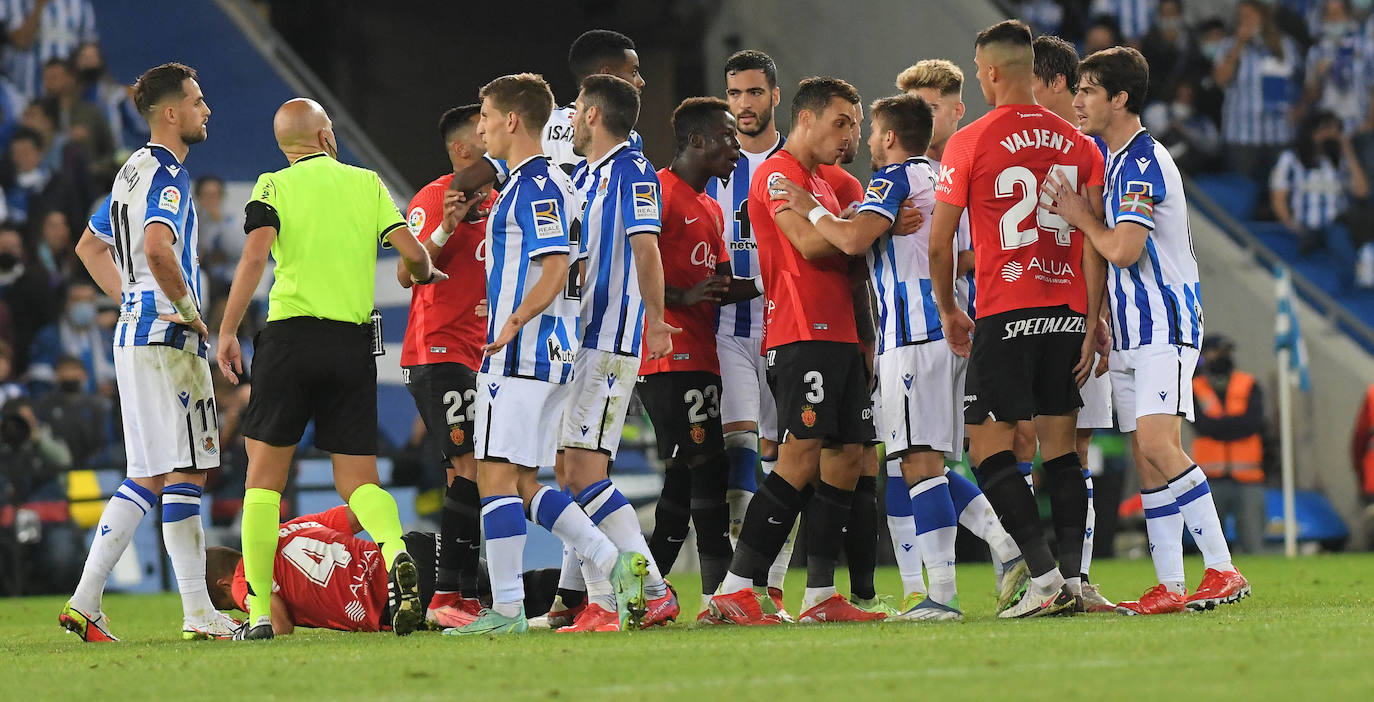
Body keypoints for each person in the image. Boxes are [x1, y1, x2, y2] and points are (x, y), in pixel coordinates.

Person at [216, 97, 439, 640]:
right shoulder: (366, 184)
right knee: (357, 481)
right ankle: (393, 553)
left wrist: (227, 329)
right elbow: (412, 254)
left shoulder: (272, 185)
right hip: (351, 343)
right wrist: (425, 270)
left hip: (290, 339)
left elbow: (253, 256)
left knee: (263, 483)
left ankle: (264, 614)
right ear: (322, 137)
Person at [1043, 45, 1252, 614]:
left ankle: (1223, 569)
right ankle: (1171, 584)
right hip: (1133, 329)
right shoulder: (1108, 159)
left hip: (1165, 322)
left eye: (1087, 90)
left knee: (1161, 445)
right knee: (1144, 455)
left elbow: (1126, 249)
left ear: (1119, 99)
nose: (1078, 100)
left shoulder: (1141, 161)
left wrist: (1080, 216)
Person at [447, 73, 645, 637]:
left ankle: (507, 609)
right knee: (524, 483)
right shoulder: (541, 182)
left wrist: (512, 320)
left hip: (522, 353)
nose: (478, 125)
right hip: (550, 353)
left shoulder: (535, 185)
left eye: (484, 114)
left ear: (511, 120)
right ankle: (616, 563)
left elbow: (557, 265)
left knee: (493, 476)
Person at [930, 20, 1106, 619]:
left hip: (1006, 310)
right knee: (1062, 450)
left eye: (979, 72)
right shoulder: (1079, 143)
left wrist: (950, 308)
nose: (979, 80)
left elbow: (940, 239)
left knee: (988, 452)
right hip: (1065, 311)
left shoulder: (971, 139)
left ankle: (1044, 576)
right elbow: (1090, 237)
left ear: (994, 73)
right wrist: (1091, 317)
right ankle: (1076, 580)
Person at [59, 62, 237, 642]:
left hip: (134, 335)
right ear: (170, 113)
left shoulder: (129, 171)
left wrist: (130, 299)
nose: (205, 110)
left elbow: (90, 245)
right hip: (167, 340)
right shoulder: (167, 174)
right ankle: (199, 613)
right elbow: (160, 249)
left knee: (145, 475)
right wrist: (189, 313)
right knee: (187, 470)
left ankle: (85, 602)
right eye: (197, 100)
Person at [707, 77, 882, 626]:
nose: (850, 136)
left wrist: (866, 335)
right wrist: (845, 227)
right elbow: (809, 245)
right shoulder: (779, 176)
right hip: (802, 333)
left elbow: (853, 260)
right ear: (805, 119)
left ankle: (820, 596)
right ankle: (734, 588)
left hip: (842, 337)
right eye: (841, 122)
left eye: (855, 124)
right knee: (799, 460)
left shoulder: (827, 184)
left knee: (848, 459)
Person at [553, 73, 681, 632]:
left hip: (612, 340)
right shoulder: (587, 174)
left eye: (578, 108)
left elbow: (646, 248)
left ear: (594, 114)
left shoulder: (632, 170)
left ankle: (643, 590)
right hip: (580, 341)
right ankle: (612, 596)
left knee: (583, 471)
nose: (571, 118)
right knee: (570, 471)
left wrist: (656, 322)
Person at [639, 96, 749, 621]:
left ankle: (648, 592)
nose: (736, 147)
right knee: (708, 468)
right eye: (728, 137)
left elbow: (719, 285)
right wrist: (680, 300)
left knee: (685, 478)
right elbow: (631, 262)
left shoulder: (706, 205)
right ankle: (716, 596)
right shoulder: (658, 192)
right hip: (667, 356)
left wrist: (777, 281)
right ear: (698, 140)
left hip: (700, 354)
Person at [1031, 33, 1117, 614]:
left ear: (1054, 83)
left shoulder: (1092, 150)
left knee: (1076, 445)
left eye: (1030, 84)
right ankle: (1033, 571)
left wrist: (1099, 312)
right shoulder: (1027, 146)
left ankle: (1075, 578)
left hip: (1084, 314)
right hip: (1035, 313)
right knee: (1027, 442)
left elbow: (1109, 236)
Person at [396, 104, 492, 629]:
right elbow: (407, 278)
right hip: (438, 352)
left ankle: (464, 596)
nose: (494, 140)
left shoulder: (500, 200)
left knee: (471, 475)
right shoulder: (432, 199)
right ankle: (449, 598)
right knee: (468, 470)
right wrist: (443, 230)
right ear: (462, 150)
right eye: (484, 134)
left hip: (481, 353)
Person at [707, 51, 784, 576]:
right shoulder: (712, 166)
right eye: (734, 94)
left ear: (775, 96)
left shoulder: (797, 163)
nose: (743, 104)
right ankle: (738, 584)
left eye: (754, 93)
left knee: (784, 462)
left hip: (784, 326)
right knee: (739, 449)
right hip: (727, 330)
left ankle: (771, 586)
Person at [1270, 110, 1371, 289]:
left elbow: (1362, 192)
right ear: (1312, 131)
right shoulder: (1291, 158)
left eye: (1336, 130)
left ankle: (1352, 287)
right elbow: (1278, 197)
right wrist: (1289, 223)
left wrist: (1347, 149)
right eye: (1326, 129)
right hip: (1305, 226)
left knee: (1339, 235)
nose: (1331, 134)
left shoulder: (1339, 161)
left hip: (1336, 226)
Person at [1191, 335, 1267, 554]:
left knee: (1254, 541)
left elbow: (1253, 422)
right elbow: (1202, 425)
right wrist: (1234, 426)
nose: (1222, 357)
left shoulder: (1248, 383)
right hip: (1210, 478)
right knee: (1211, 547)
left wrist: (1220, 427)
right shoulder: (1195, 386)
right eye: (1216, 352)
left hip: (1248, 478)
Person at [1212, 0, 1302, 177]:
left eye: (1250, 16)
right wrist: (1239, 44)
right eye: (1242, 18)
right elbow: (1221, 79)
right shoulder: (1228, 46)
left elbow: (1299, 82)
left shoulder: (1285, 45)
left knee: (1278, 192)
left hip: (1278, 134)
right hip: (1242, 136)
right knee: (1242, 194)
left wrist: (1298, 111)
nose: (1246, 22)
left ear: (1263, 17)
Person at [0, 0, 98, 100]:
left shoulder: (82, 4)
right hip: (25, 89)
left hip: (67, 95)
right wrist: (39, 6)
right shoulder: (15, 2)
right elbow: (20, 41)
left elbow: (89, 47)